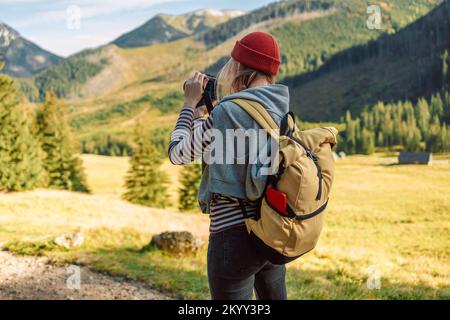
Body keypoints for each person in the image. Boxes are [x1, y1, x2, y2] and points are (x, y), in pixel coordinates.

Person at [168, 31, 289, 300]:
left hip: (232, 237)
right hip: (273, 230)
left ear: (240, 67)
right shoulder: (282, 112)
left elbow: (178, 153)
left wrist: (190, 106)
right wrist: (209, 115)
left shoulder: (227, 112)